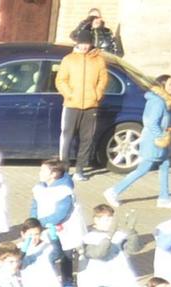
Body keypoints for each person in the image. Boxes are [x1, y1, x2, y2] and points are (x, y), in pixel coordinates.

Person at [107, 73, 171, 205]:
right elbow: (151, 122)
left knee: (165, 164)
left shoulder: (159, 100)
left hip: (157, 141)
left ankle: (164, 197)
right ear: (163, 85)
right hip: (154, 141)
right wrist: (161, 136)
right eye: (170, 84)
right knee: (143, 169)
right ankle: (114, 191)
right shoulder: (158, 102)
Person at [55, 35, 108, 181]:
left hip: (91, 105)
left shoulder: (98, 60)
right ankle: (64, 170)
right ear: (77, 44)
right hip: (72, 104)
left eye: (87, 44)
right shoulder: (69, 59)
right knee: (67, 136)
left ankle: (80, 169)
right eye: (82, 44)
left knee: (87, 138)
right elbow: (61, 80)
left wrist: (97, 94)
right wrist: (69, 94)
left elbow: (103, 79)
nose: (85, 46)